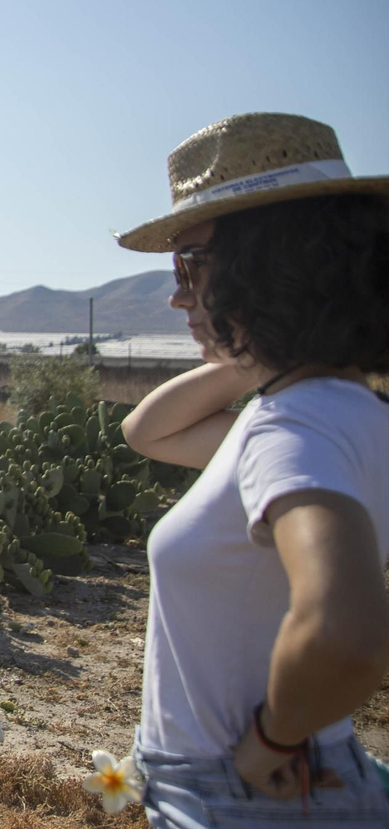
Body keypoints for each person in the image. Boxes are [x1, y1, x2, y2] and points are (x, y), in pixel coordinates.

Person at [115, 112, 389, 828]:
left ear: (267, 260)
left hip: (239, 792)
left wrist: (265, 745)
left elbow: (344, 630)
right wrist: (257, 348)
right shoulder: (344, 409)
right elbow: (147, 430)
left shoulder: (293, 429)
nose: (177, 295)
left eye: (191, 264)